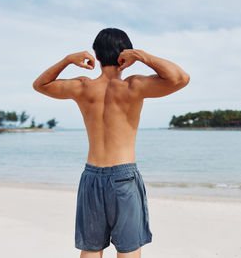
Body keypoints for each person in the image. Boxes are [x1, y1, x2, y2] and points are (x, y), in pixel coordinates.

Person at [33, 28, 190, 258]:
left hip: (92, 176)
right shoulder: (133, 86)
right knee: (128, 251)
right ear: (124, 56)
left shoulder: (83, 87)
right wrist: (142, 56)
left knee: (91, 250)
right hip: (123, 178)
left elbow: (40, 85)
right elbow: (181, 78)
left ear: (95, 55)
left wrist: (68, 60)